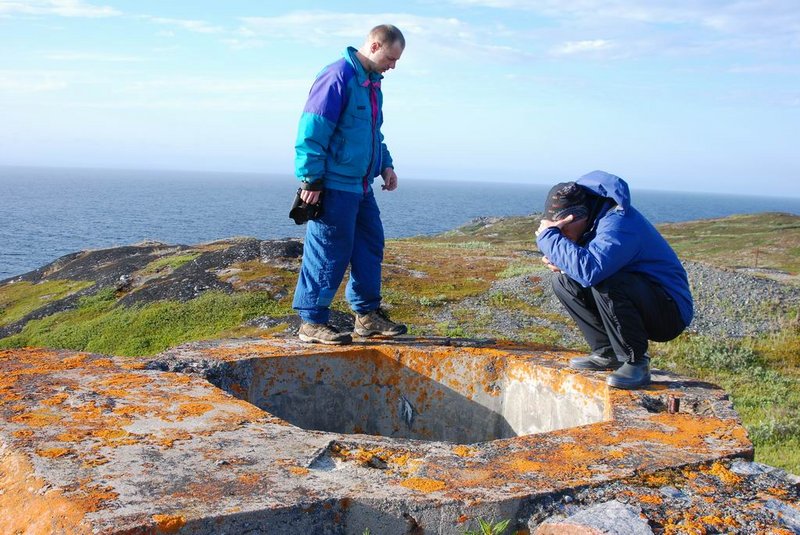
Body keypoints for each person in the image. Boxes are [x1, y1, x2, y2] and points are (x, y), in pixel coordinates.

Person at [292, 24, 408, 345]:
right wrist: (311, 178)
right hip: (332, 185)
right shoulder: (337, 76)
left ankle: (367, 317)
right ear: (373, 46)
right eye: (390, 57)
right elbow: (311, 130)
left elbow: (373, 133)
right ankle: (311, 322)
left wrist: (385, 165)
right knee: (329, 250)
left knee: (370, 245)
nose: (393, 66)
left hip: (360, 186)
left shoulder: (372, 84)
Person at [535, 170, 693, 389]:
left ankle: (636, 362)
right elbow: (583, 268)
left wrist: (549, 238)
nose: (562, 234)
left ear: (579, 216)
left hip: (669, 312)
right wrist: (563, 263)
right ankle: (607, 353)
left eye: (563, 228)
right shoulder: (592, 221)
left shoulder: (618, 223)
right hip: (642, 297)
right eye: (556, 229)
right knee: (563, 282)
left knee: (606, 281)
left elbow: (591, 270)